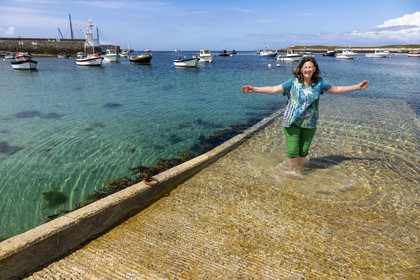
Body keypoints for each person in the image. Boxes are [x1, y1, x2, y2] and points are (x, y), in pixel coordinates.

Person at [241, 57, 369, 175]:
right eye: (305, 67)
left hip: (309, 123)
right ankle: (293, 171)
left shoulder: (320, 83)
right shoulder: (293, 83)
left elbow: (335, 90)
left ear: (315, 69)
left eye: (310, 67)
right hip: (292, 122)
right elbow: (274, 89)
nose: (308, 69)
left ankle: (297, 168)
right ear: (301, 69)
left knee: (304, 151)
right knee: (292, 150)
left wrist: (356, 87)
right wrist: (254, 89)